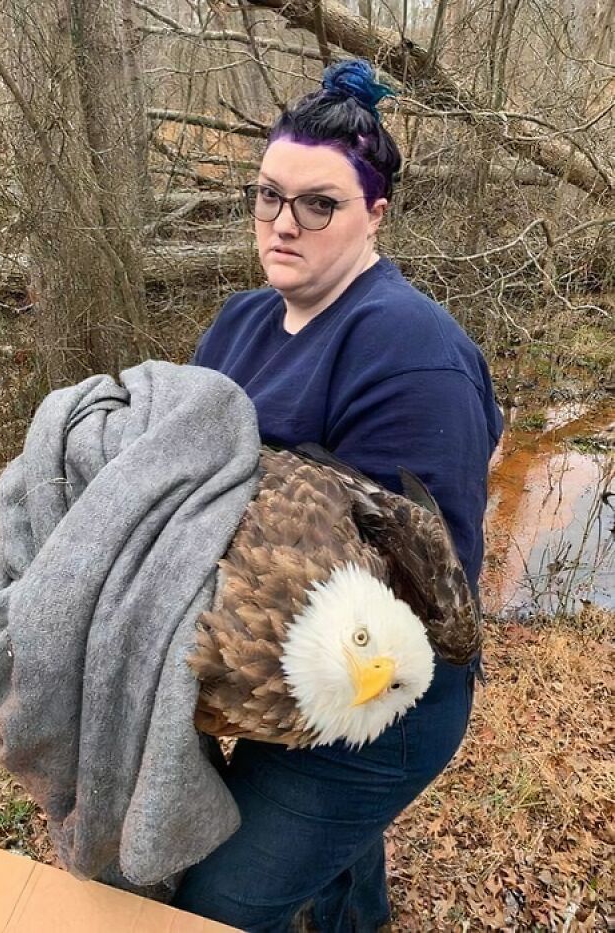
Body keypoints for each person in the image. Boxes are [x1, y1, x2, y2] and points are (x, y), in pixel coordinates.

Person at [171, 59, 503, 932]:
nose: (284, 223)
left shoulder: (411, 354)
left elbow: (429, 592)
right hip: (259, 665)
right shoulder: (240, 321)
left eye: (319, 203)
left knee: (221, 899)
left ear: (374, 215)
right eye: (268, 196)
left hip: (378, 698)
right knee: (333, 867)